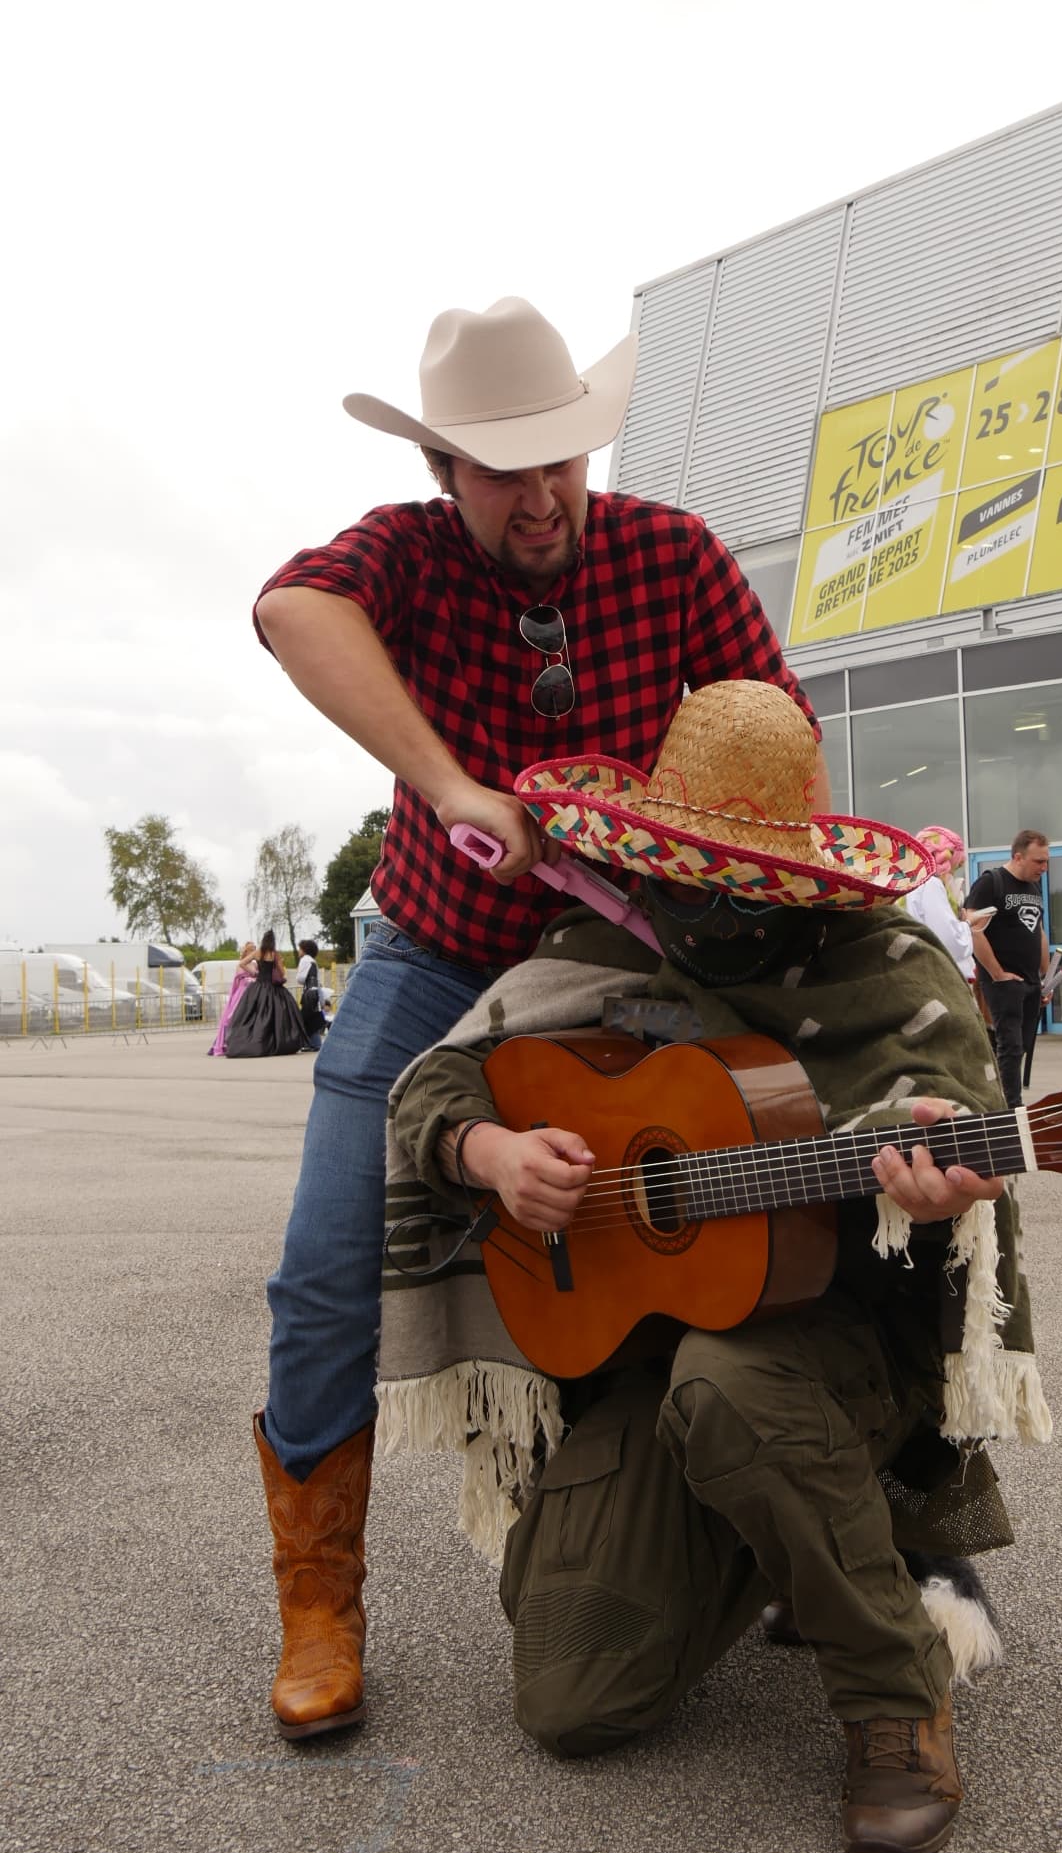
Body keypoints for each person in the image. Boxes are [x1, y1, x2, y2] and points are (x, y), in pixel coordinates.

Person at [332, 682, 1056, 1853]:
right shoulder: (603, 944)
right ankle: (784, 1535)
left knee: (731, 1389)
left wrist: (929, 1183)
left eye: (736, 880)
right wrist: (493, 1151)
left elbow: (952, 1122)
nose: (706, 906)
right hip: (638, 1359)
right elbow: (433, 1084)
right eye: (686, 870)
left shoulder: (886, 964)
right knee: (574, 1696)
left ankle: (892, 1689)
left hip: (831, 1352)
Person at [249, 299, 824, 1737]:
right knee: (327, 1260)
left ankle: (798, 1523)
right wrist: (450, 786)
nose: (545, 492)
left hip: (632, 959)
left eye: (562, 454)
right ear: (445, 472)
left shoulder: (674, 553)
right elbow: (287, 609)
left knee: (757, 1202)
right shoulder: (400, 555)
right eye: (505, 467)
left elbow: (779, 739)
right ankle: (321, 1601)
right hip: (437, 955)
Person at [963, 831, 1052, 1106]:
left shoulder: (1034, 888)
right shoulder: (992, 882)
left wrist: (1045, 978)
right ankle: (1010, 1107)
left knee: (1021, 1045)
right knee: (1010, 1045)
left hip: (1030, 980)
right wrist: (997, 973)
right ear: (1018, 856)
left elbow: (1038, 931)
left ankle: (1002, 1096)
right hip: (1003, 980)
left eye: (1046, 861)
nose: (1044, 868)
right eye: (1038, 861)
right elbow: (972, 927)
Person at [902, 824, 976, 981]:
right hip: (935, 977)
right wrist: (967, 923)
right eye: (955, 868)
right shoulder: (930, 884)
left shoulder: (906, 883)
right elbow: (949, 942)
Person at [224, 930, 312, 1058]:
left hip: (258, 987)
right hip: (273, 988)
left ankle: (252, 1041)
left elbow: (242, 963)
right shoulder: (274, 954)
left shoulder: (257, 952)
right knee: (278, 1016)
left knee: (253, 1015)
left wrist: (254, 973)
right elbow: (282, 973)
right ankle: (276, 1042)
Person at [207, 942, 258, 1056]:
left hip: (252, 993)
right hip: (241, 994)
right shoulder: (240, 965)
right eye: (251, 950)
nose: (253, 952)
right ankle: (225, 1042)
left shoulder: (254, 964)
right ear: (246, 951)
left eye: (254, 949)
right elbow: (241, 979)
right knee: (231, 1016)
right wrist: (252, 979)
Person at [294, 938, 328, 1052]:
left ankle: (310, 1043)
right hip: (315, 993)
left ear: (304, 949)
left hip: (308, 993)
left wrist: (298, 973)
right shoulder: (313, 961)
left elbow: (300, 978)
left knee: (305, 1017)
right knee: (313, 1018)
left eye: (300, 948)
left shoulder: (304, 960)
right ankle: (314, 1043)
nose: (299, 951)